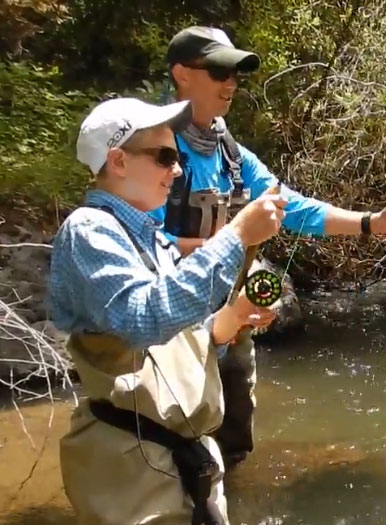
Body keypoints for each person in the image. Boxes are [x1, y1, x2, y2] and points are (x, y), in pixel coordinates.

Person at [151, 26, 386, 466]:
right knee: (173, 447)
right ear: (182, 74)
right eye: (219, 71)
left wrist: (369, 223)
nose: (231, 83)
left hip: (235, 319)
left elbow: (293, 206)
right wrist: (232, 238)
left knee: (234, 440)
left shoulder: (230, 151)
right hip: (173, 326)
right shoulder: (156, 149)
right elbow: (145, 243)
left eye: (235, 74)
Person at [48, 97, 287, 524]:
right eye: (164, 157)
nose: (176, 170)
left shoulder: (153, 239)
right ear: (118, 160)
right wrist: (235, 234)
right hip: (132, 470)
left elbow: (183, 343)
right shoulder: (88, 230)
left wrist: (233, 319)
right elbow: (144, 319)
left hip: (184, 462)